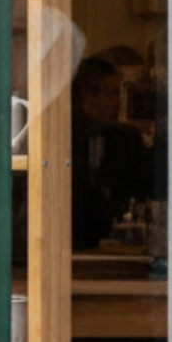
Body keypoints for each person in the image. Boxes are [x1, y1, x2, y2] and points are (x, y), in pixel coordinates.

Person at [72, 49, 157, 248]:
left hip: (118, 240)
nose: (118, 101)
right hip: (69, 236)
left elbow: (142, 185)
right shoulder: (63, 136)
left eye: (119, 94)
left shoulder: (126, 137)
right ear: (87, 94)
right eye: (111, 94)